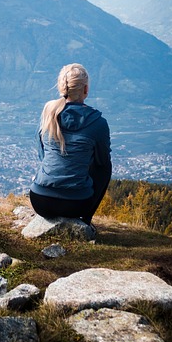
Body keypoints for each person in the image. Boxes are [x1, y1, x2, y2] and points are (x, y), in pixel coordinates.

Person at [30, 63, 111, 227]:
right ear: (86, 89)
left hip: (40, 201)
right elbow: (102, 162)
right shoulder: (98, 123)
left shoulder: (49, 113)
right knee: (105, 167)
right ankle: (86, 220)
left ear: (61, 87)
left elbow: (43, 154)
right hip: (76, 205)